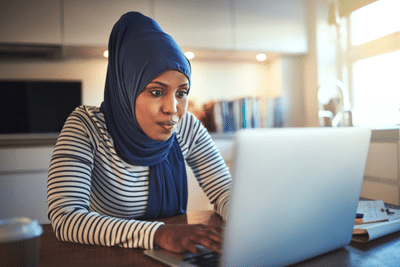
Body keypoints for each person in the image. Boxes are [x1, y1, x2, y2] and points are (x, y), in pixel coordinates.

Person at [47, 12, 231, 254]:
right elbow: (66, 218)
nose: (172, 109)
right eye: (156, 92)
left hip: (172, 256)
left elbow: (224, 191)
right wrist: (158, 234)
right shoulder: (86, 127)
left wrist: (250, 221)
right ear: (126, 87)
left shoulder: (186, 127)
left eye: (181, 93)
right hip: (108, 257)